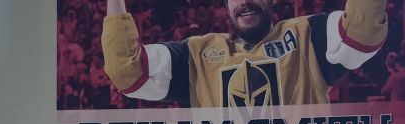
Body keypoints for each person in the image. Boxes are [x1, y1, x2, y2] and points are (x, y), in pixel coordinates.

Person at [101, 0, 388, 108]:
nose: (245, 2)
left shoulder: (307, 34)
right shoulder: (198, 53)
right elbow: (127, 72)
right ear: (226, 6)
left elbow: (362, 32)